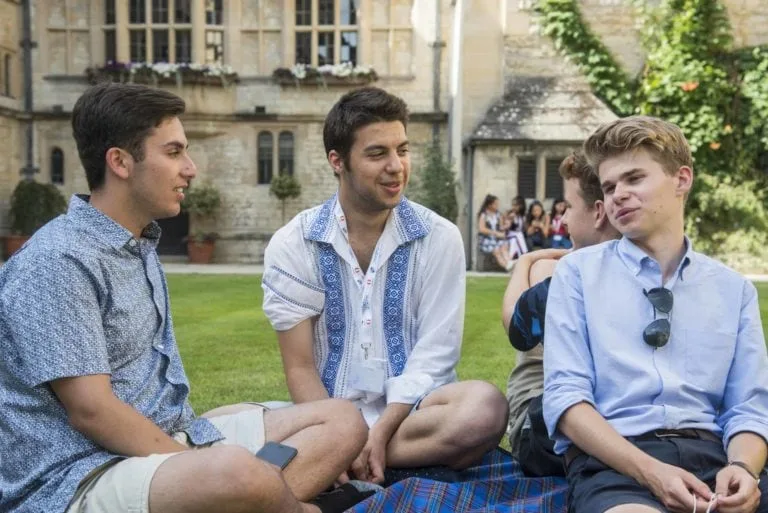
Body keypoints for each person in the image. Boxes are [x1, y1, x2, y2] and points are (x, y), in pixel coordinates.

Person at [0, 81, 370, 513]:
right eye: (174, 152)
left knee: (341, 420)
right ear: (119, 162)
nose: (190, 168)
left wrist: (202, 454)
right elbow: (93, 412)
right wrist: (203, 463)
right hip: (77, 475)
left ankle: (255, 497)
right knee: (237, 471)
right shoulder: (59, 261)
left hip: (168, 439)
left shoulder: (137, 243)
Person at [261, 86, 509, 485]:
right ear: (337, 161)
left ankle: (342, 462)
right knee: (225, 430)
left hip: (413, 417)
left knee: (484, 408)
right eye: (377, 154)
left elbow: (436, 355)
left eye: (403, 150)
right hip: (325, 416)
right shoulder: (295, 243)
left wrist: (378, 433)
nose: (396, 166)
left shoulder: (438, 236)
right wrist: (341, 434)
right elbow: (300, 367)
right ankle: (356, 458)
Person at [543, 116, 768, 513]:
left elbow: (748, 407)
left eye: (634, 179)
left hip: (715, 456)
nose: (618, 195)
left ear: (682, 180)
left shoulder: (734, 290)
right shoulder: (578, 274)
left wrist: (744, 469)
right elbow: (566, 400)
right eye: (610, 186)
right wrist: (652, 472)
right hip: (619, 462)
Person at [502, 152, 619, 477]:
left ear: (597, 213)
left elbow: (515, 324)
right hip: (552, 417)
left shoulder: (555, 269)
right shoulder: (557, 271)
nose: (562, 218)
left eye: (567, 207)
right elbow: (520, 328)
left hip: (566, 418)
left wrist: (525, 262)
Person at [478, 193, 516, 271]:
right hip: (487, 239)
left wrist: (507, 225)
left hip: (497, 239)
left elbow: (501, 227)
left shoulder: (498, 215)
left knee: (504, 246)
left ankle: (510, 263)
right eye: (495, 204)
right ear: (490, 205)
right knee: (497, 250)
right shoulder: (484, 215)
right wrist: (495, 233)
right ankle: (507, 266)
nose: (497, 205)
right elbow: (482, 229)